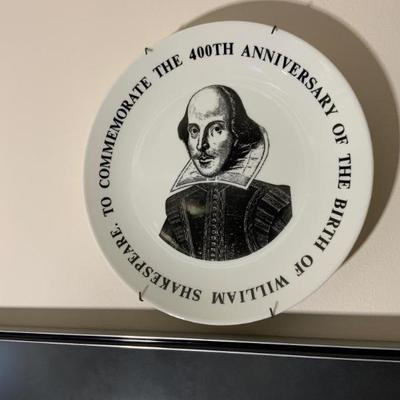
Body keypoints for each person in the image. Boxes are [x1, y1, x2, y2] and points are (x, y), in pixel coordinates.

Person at [159, 85, 292, 261]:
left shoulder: (275, 202)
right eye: (194, 130)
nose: (201, 145)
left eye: (216, 129)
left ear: (237, 134)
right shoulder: (176, 205)